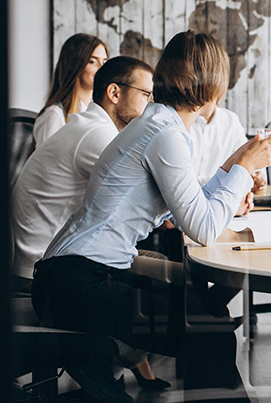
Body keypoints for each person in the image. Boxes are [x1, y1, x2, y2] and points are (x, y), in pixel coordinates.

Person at [32, 31, 271, 403]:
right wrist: (244, 168)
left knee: (206, 317)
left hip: (72, 275)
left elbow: (191, 206)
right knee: (210, 329)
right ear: (207, 85)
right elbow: (201, 228)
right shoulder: (165, 133)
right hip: (76, 283)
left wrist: (236, 162)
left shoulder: (159, 125)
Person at [13, 56, 172, 390]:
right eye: (147, 95)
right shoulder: (96, 135)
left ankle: (115, 360)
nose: (152, 105)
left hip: (53, 256)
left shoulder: (87, 126)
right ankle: (109, 357)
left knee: (154, 267)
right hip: (50, 268)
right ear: (114, 92)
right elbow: (154, 191)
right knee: (159, 278)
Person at [34, 34, 109, 145]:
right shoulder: (54, 115)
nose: (102, 69)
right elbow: (48, 161)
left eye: (104, 62)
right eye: (92, 62)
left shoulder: (100, 113)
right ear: (75, 65)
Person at [189, 102, 266, 190]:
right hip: (193, 196)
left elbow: (247, 155)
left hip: (222, 194)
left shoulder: (230, 119)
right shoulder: (181, 120)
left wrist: (257, 176)